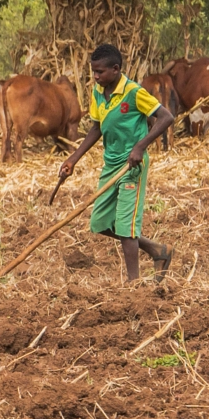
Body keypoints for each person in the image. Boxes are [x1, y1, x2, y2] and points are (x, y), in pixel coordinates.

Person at [58, 44, 176, 283]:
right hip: (111, 164)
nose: (96, 76)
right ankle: (157, 250)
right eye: (94, 72)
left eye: (100, 72)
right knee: (99, 222)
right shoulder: (98, 93)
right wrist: (73, 158)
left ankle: (133, 284)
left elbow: (166, 117)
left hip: (132, 166)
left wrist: (140, 146)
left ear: (116, 69)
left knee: (126, 225)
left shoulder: (133, 92)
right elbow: (97, 128)